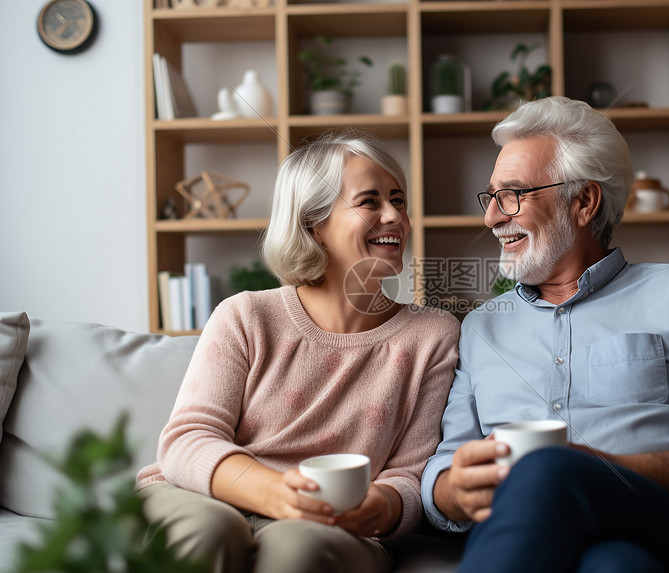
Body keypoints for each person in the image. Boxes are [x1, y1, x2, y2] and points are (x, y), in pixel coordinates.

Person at [420, 97, 669, 573]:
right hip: (549, 535)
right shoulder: (481, 327)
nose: (492, 218)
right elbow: (444, 463)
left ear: (584, 201)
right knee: (616, 565)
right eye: (491, 197)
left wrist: (605, 470)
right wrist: (451, 490)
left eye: (513, 195)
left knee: (547, 469)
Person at [136, 131, 460, 573]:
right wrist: (277, 493)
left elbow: (409, 474)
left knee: (297, 551)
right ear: (315, 225)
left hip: (330, 524)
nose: (395, 216)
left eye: (398, 200)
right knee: (207, 532)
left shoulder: (433, 335)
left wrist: (382, 505)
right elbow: (187, 440)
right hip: (201, 497)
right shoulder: (245, 315)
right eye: (369, 201)